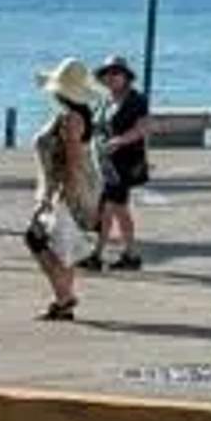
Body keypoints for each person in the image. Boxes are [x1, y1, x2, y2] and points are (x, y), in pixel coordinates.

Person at [24, 59, 104, 321]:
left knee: (36, 239)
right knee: (62, 248)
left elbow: (73, 160)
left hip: (67, 190)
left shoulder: (71, 119)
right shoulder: (75, 116)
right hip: (68, 188)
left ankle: (65, 298)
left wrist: (62, 197)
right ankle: (63, 302)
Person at [91, 55, 152, 270]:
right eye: (107, 73)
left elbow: (143, 128)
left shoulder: (136, 100)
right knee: (114, 208)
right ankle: (125, 255)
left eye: (116, 73)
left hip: (125, 163)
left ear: (126, 76)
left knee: (113, 207)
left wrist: (120, 140)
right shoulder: (104, 99)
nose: (111, 77)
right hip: (105, 163)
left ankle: (102, 255)